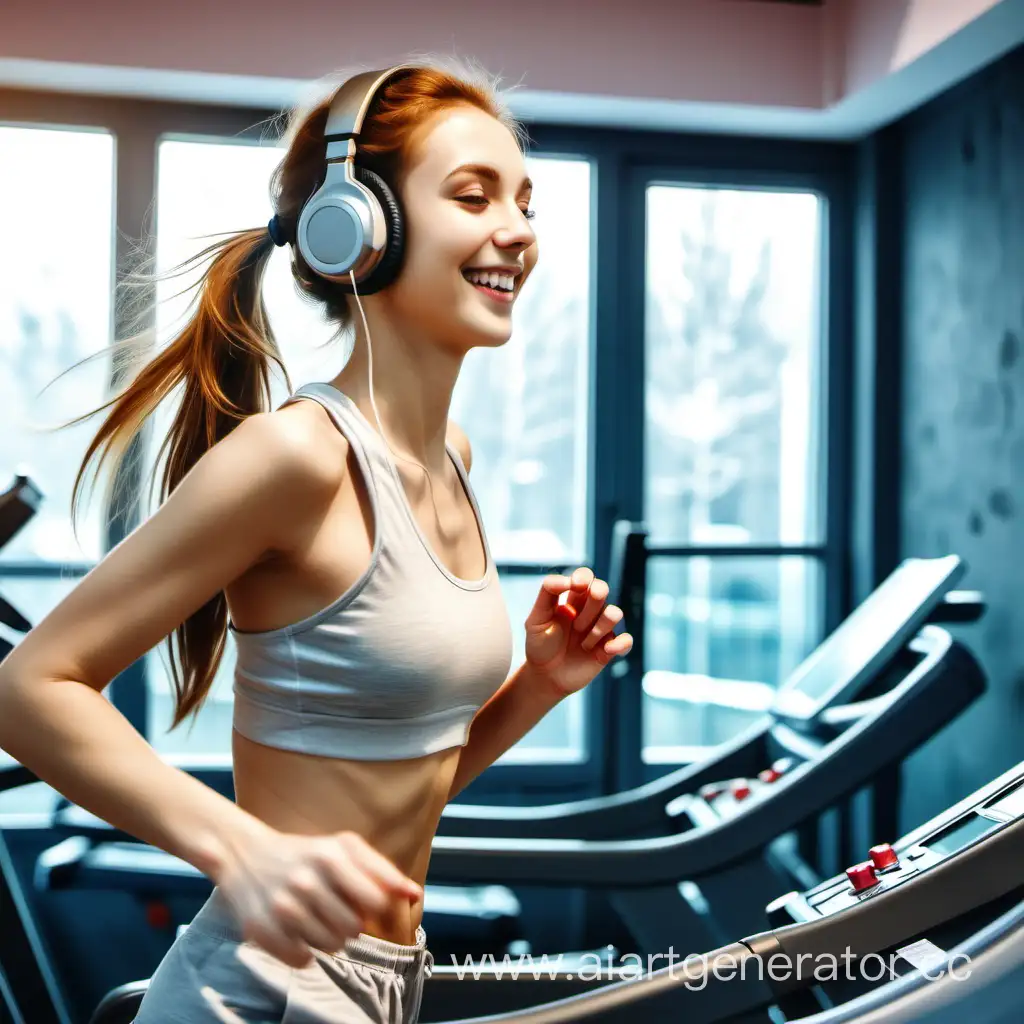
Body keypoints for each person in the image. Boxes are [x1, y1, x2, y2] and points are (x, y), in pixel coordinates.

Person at [0, 56, 632, 1023]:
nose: (517, 231)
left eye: (526, 201)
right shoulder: (296, 458)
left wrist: (537, 687)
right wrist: (239, 847)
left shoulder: (450, 457)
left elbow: (405, 787)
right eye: (472, 196)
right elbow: (29, 688)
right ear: (357, 229)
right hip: (263, 988)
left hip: (385, 978)